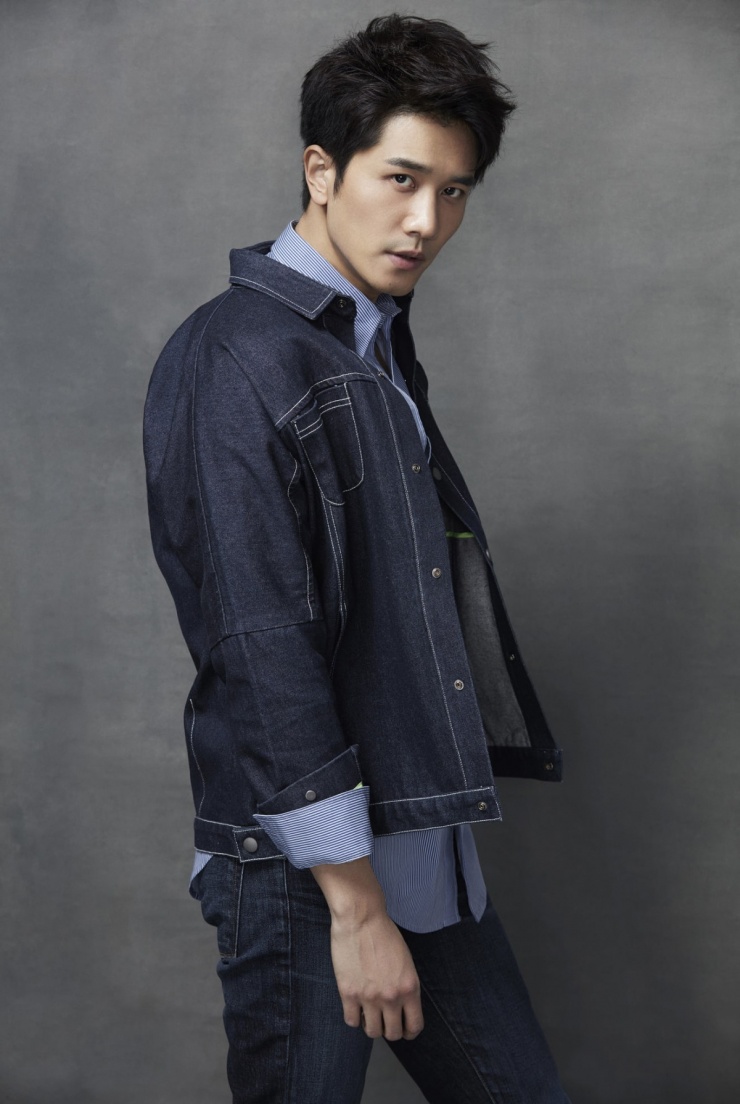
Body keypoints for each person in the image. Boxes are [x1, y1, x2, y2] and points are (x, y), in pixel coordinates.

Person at [144, 14, 571, 1104]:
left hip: (416, 848)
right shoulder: (239, 355)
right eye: (402, 179)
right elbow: (259, 641)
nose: (427, 221)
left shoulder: (368, 346)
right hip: (307, 876)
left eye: (455, 191)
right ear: (322, 171)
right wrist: (356, 905)